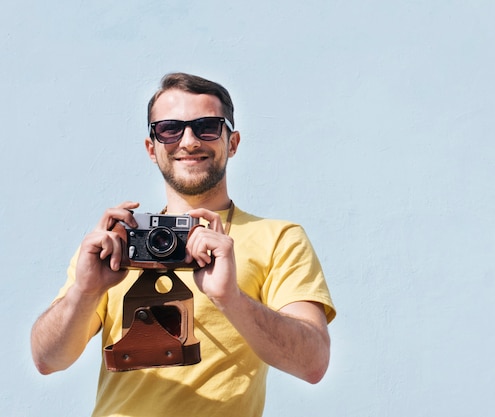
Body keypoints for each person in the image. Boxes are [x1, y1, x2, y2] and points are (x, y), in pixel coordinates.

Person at [30, 72, 336, 417]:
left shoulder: (279, 238)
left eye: (206, 126)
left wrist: (229, 297)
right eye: (169, 129)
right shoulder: (120, 240)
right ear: (152, 147)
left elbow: (312, 364)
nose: (189, 141)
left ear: (232, 142)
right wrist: (85, 292)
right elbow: (47, 359)